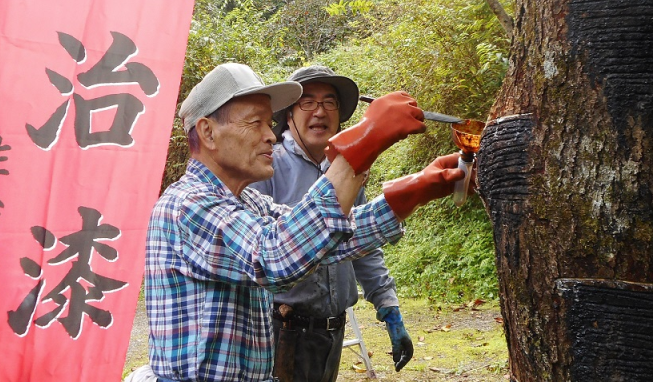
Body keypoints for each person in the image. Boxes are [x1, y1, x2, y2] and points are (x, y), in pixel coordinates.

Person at [138, 63, 465, 382]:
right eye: (255, 123)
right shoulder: (188, 205)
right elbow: (275, 255)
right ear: (208, 132)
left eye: (269, 123)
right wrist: (364, 141)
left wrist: (413, 192)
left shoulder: (248, 202)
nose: (270, 136)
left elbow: (334, 239)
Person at [250, 66, 412, 381]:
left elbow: (361, 244)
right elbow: (262, 252)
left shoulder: (348, 171)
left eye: (329, 102)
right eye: (307, 103)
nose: (320, 112)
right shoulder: (268, 166)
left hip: (330, 334)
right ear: (290, 114)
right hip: (281, 332)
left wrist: (389, 307)